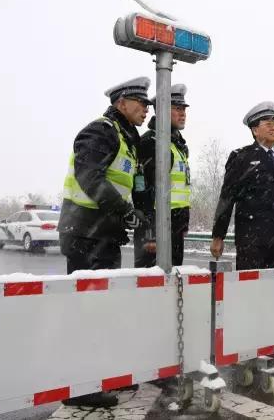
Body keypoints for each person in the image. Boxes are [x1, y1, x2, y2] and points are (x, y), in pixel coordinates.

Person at [57, 76, 152, 407]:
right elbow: (89, 176)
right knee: (89, 309)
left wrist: (135, 213)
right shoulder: (101, 131)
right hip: (84, 233)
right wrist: (124, 210)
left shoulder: (127, 138)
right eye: (140, 103)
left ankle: (97, 377)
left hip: (103, 235)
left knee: (101, 308)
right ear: (121, 103)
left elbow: (124, 183)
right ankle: (80, 388)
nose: (145, 109)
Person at [210, 101, 274, 270]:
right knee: (249, 291)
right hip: (251, 241)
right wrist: (218, 236)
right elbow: (227, 198)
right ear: (254, 130)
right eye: (268, 124)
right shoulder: (241, 157)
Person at [133, 84, 191, 267]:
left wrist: (183, 223)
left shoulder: (177, 145)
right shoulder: (152, 143)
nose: (182, 114)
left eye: (183, 109)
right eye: (177, 109)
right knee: (152, 289)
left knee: (173, 288)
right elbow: (141, 190)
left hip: (174, 229)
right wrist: (150, 233)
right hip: (157, 231)